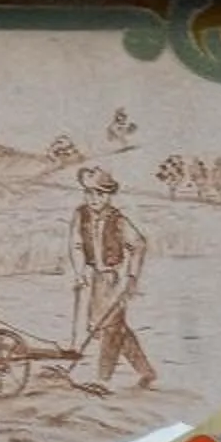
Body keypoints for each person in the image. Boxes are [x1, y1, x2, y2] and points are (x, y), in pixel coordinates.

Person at [70, 166, 156, 392]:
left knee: (110, 327)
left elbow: (138, 244)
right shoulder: (81, 215)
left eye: (100, 194)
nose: (94, 199)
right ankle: (146, 371)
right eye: (89, 193)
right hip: (95, 278)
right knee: (111, 326)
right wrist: (79, 273)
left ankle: (103, 379)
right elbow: (76, 244)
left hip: (114, 277)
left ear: (108, 195)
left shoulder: (118, 220)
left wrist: (131, 277)